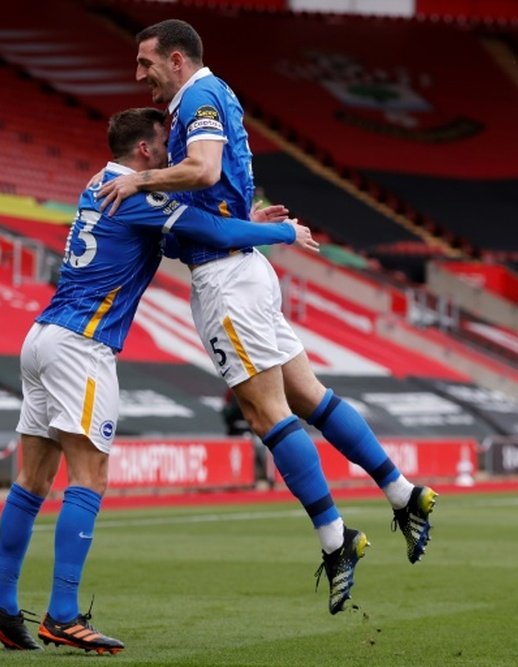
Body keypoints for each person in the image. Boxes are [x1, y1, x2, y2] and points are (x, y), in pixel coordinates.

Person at [98, 19, 438, 614]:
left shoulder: (197, 96)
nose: (139, 75)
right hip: (245, 267)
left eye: (146, 63)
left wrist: (141, 180)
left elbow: (203, 171)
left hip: (228, 280)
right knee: (310, 397)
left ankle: (337, 543)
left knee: (265, 413)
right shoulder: (216, 94)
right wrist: (252, 214)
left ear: (176, 60)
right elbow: (218, 186)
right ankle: (404, 493)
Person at [0, 107, 321, 654]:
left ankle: (2, 605)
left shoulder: (103, 183)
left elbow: (191, 232)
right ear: (144, 151)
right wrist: (281, 231)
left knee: (33, 480)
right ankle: (62, 614)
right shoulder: (136, 194)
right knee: (89, 477)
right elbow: (206, 229)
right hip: (81, 346)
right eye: (166, 144)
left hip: (42, 336)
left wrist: (246, 214)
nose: (174, 153)